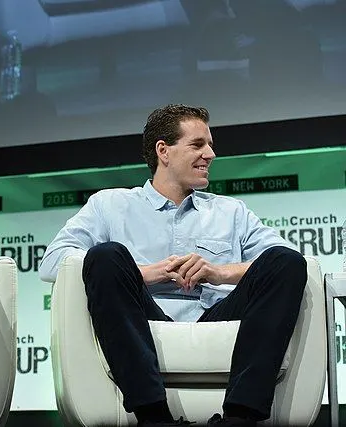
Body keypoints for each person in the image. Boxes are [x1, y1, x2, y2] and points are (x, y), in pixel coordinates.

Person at [39, 104, 306, 427]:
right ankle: (153, 416)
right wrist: (143, 274)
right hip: (143, 314)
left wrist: (219, 272)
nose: (210, 154)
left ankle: (241, 416)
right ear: (163, 151)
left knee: (286, 263)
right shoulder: (110, 205)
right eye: (197, 145)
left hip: (216, 314)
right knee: (107, 256)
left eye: (210, 145)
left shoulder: (231, 211)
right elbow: (53, 263)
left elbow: (288, 262)